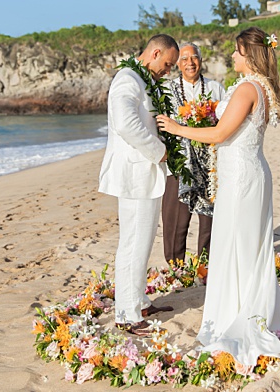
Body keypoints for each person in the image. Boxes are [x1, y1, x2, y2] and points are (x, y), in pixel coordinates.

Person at [157, 27, 280, 366]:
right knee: (243, 243)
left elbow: (219, 133)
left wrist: (176, 128)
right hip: (244, 172)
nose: (231, 56)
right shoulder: (259, 86)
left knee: (238, 245)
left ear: (248, 54)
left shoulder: (248, 88)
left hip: (243, 176)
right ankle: (250, 306)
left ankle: (241, 313)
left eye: (236, 51)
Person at [98, 34, 179, 336]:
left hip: (145, 174)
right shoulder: (127, 79)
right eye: (167, 64)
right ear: (155, 53)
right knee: (133, 243)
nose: (168, 70)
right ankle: (127, 315)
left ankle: (139, 301)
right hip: (135, 175)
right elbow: (126, 124)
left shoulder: (142, 79)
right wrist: (161, 151)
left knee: (142, 241)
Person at [162, 43, 226, 264]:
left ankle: (206, 266)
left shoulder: (215, 88)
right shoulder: (167, 90)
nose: (190, 62)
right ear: (178, 63)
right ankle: (175, 267)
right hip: (179, 163)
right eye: (185, 58)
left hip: (209, 164)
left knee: (209, 218)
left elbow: (224, 123)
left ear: (201, 60)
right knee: (176, 221)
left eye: (194, 57)